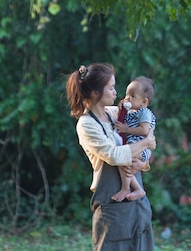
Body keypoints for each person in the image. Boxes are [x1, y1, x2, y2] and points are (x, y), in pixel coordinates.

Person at [66, 63, 156, 251]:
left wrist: (142, 164)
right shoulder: (87, 124)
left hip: (137, 203)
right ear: (94, 93)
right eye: (111, 88)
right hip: (113, 204)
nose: (116, 93)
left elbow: (150, 136)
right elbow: (114, 155)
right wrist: (146, 142)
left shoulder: (115, 113)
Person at [112, 76, 156, 203]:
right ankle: (137, 189)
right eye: (126, 94)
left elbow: (144, 130)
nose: (127, 98)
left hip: (142, 148)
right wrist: (121, 110)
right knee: (124, 161)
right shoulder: (131, 112)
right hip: (135, 145)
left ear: (144, 102)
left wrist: (125, 129)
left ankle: (127, 188)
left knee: (123, 158)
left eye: (132, 96)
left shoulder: (144, 112)